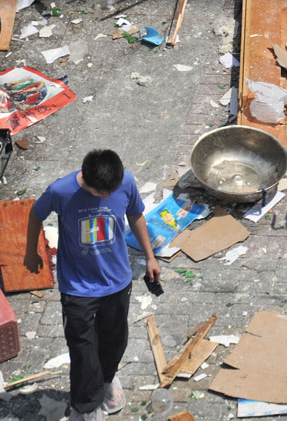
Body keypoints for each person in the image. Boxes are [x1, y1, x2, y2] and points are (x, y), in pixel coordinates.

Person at [24, 149, 160, 421]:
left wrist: (150, 256)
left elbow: (135, 216)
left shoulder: (125, 183)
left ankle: (107, 380)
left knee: (114, 341)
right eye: (102, 193)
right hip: (77, 287)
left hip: (117, 282)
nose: (109, 197)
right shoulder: (61, 191)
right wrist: (30, 252)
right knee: (83, 351)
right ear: (86, 179)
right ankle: (85, 407)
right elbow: (36, 214)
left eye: (112, 191)